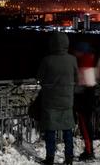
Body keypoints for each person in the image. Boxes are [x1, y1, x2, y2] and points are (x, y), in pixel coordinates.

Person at [37, 32, 78, 165]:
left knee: (50, 131)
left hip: (50, 100)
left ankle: (50, 157)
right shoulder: (72, 59)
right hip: (67, 100)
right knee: (67, 131)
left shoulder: (46, 60)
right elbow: (77, 78)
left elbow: (39, 78)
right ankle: (69, 157)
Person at [73, 41, 97, 161]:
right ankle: (90, 149)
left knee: (85, 128)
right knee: (88, 127)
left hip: (84, 102)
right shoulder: (90, 61)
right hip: (89, 100)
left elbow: (82, 86)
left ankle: (89, 151)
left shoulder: (83, 64)